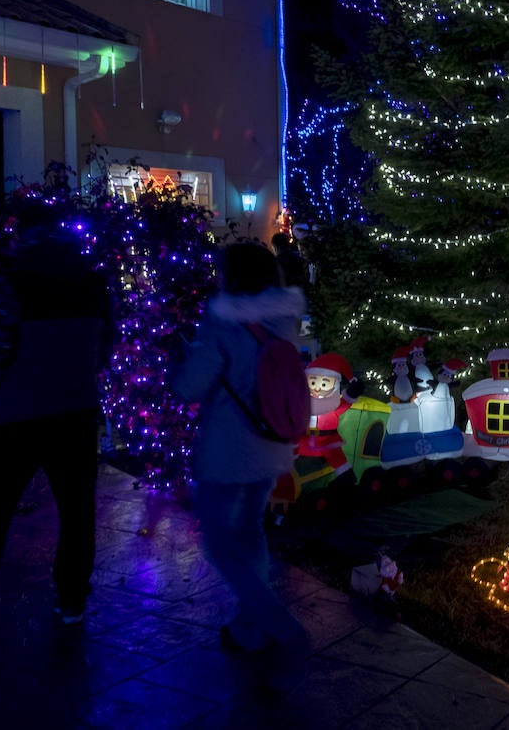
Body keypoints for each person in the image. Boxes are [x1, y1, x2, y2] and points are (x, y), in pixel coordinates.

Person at [0, 220, 114, 623]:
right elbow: (105, 346)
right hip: (76, 409)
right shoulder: (94, 284)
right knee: (77, 509)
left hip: (21, 410)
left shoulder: (15, 282)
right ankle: (71, 598)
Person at [169, 240, 308, 687]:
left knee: (219, 542)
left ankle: (273, 620)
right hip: (272, 447)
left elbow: (191, 387)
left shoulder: (221, 322)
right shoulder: (284, 317)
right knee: (250, 532)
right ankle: (250, 628)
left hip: (228, 454)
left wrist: (183, 357)